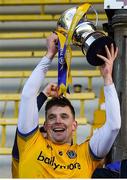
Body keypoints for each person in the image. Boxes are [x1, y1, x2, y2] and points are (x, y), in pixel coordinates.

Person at [15, 33, 121, 178]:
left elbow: (114, 126)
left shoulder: (86, 154)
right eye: (52, 117)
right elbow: (28, 95)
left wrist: (107, 78)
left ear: (74, 125)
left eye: (64, 116)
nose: (58, 120)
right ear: (45, 126)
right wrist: (50, 55)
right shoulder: (30, 143)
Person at [12, 83, 57, 178]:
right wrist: (44, 94)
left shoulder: (58, 159)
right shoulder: (24, 152)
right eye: (39, 138)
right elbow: (26, 118)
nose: (44, 140)